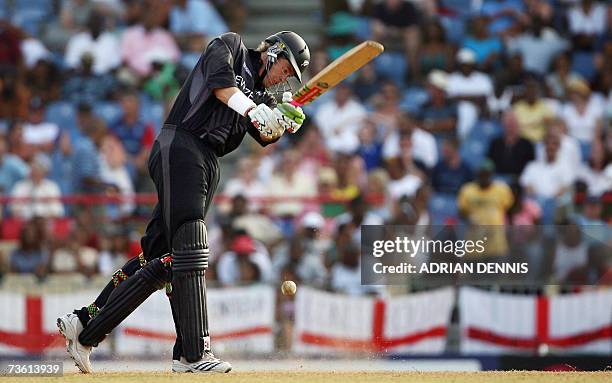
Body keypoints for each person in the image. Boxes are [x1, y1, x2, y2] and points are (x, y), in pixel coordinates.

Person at [56, 31, 309, 374]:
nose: (285, 78)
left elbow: (263, 133)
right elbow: (223, 88)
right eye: (286, 68)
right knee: (189, 247)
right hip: (182, 145)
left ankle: (84, 323)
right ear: (274, 51)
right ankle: (193, 353)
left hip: (206, 160)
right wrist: (256, 111)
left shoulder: (263, 95)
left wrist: (280, 124)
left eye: (292, 77)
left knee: (159, 257)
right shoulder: (230, 47)